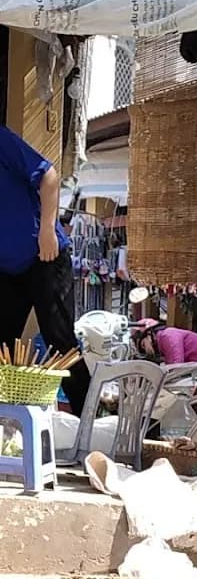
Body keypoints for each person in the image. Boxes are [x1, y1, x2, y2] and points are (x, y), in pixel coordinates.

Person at [0, 125, 90, 416]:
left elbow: (49, 176)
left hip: (46, 255)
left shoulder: (2, 140)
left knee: (59, 340)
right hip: (7, 267)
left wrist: (48, 231)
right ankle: (7, 421)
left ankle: (85, 419)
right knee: (2, 346)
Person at [130, 320, 197, 402]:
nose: (146, 350)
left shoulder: (168, 336)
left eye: (143, 345)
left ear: (149, 334)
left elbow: (176, 369)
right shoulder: (164, 341)